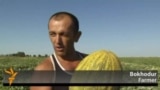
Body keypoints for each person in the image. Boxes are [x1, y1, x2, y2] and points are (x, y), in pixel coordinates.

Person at [30, 11, 87, 90]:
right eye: (52, 34)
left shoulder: (91, 61)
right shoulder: (44, 71)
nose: (57, 41)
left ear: (77, 36)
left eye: (64, 34)